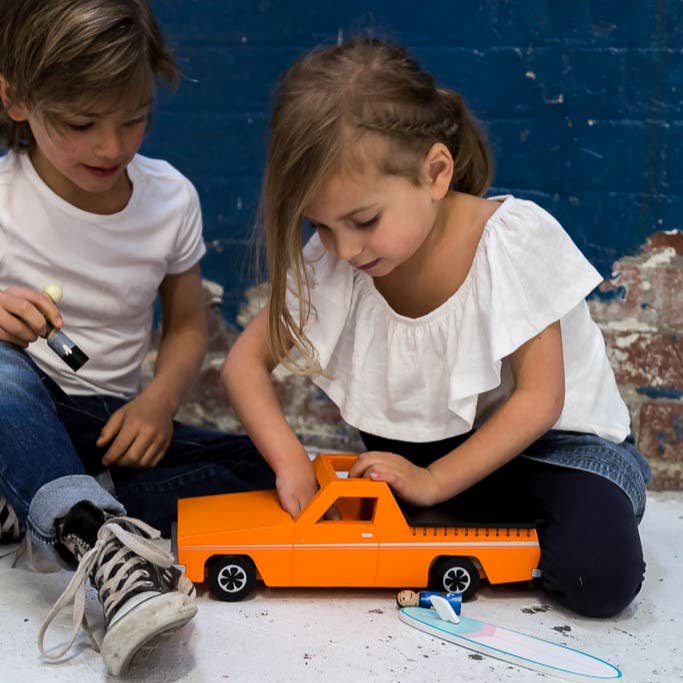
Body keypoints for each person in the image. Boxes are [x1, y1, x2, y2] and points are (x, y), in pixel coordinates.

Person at [223, 38, 652, 619]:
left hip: (554, 451)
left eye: (364, 221)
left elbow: (541, 398)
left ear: (435, 173)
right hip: (429, 454)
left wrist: (432, 482)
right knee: (363, 538)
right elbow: (243, 365)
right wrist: (290, 461)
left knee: (598, 577)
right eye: (321, 226)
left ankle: (543, 511)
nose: (344, 248)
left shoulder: (511, 239)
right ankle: (457, 517)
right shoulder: (340, 257)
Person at [0, 0, 273, 675]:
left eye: (134, 119)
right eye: (81, 123)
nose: (111, 146)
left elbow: (186, 323)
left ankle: (38, 497)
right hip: (18, 398)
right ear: (14, 100)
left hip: (110, 420)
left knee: (260, 467)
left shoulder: (169, 198)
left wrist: (158, 400)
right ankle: (102, 542)